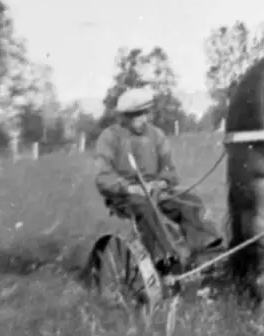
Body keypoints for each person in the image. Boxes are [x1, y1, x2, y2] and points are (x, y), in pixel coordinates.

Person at [94, 87, 225, 267]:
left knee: (190, 202)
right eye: (137, 115)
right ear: (124, 117)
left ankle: (205, 251)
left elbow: (170, 170)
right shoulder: (109, 138)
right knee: (145, 208)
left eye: (145, 113)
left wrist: (161, 183)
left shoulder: (156, 135)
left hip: (157, 191)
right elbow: (103, 176)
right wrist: (129, 188)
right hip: (125, 197)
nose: (144, 119)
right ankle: (165, 258)